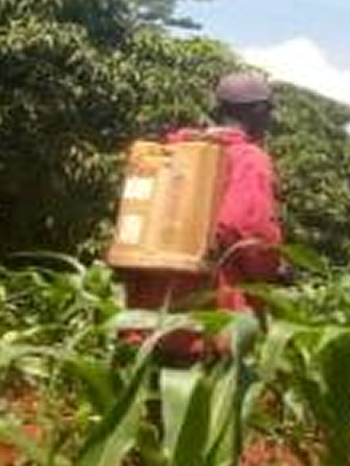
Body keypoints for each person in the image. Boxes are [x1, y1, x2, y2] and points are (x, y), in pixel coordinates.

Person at [120, 71, 284, 359]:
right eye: (270, 110)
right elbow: (247, 232)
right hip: (206, 321)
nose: (271, 119)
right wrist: (275, 269)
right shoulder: (248, 158)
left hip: (146, 317)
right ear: (259, 111)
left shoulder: (171, 152)